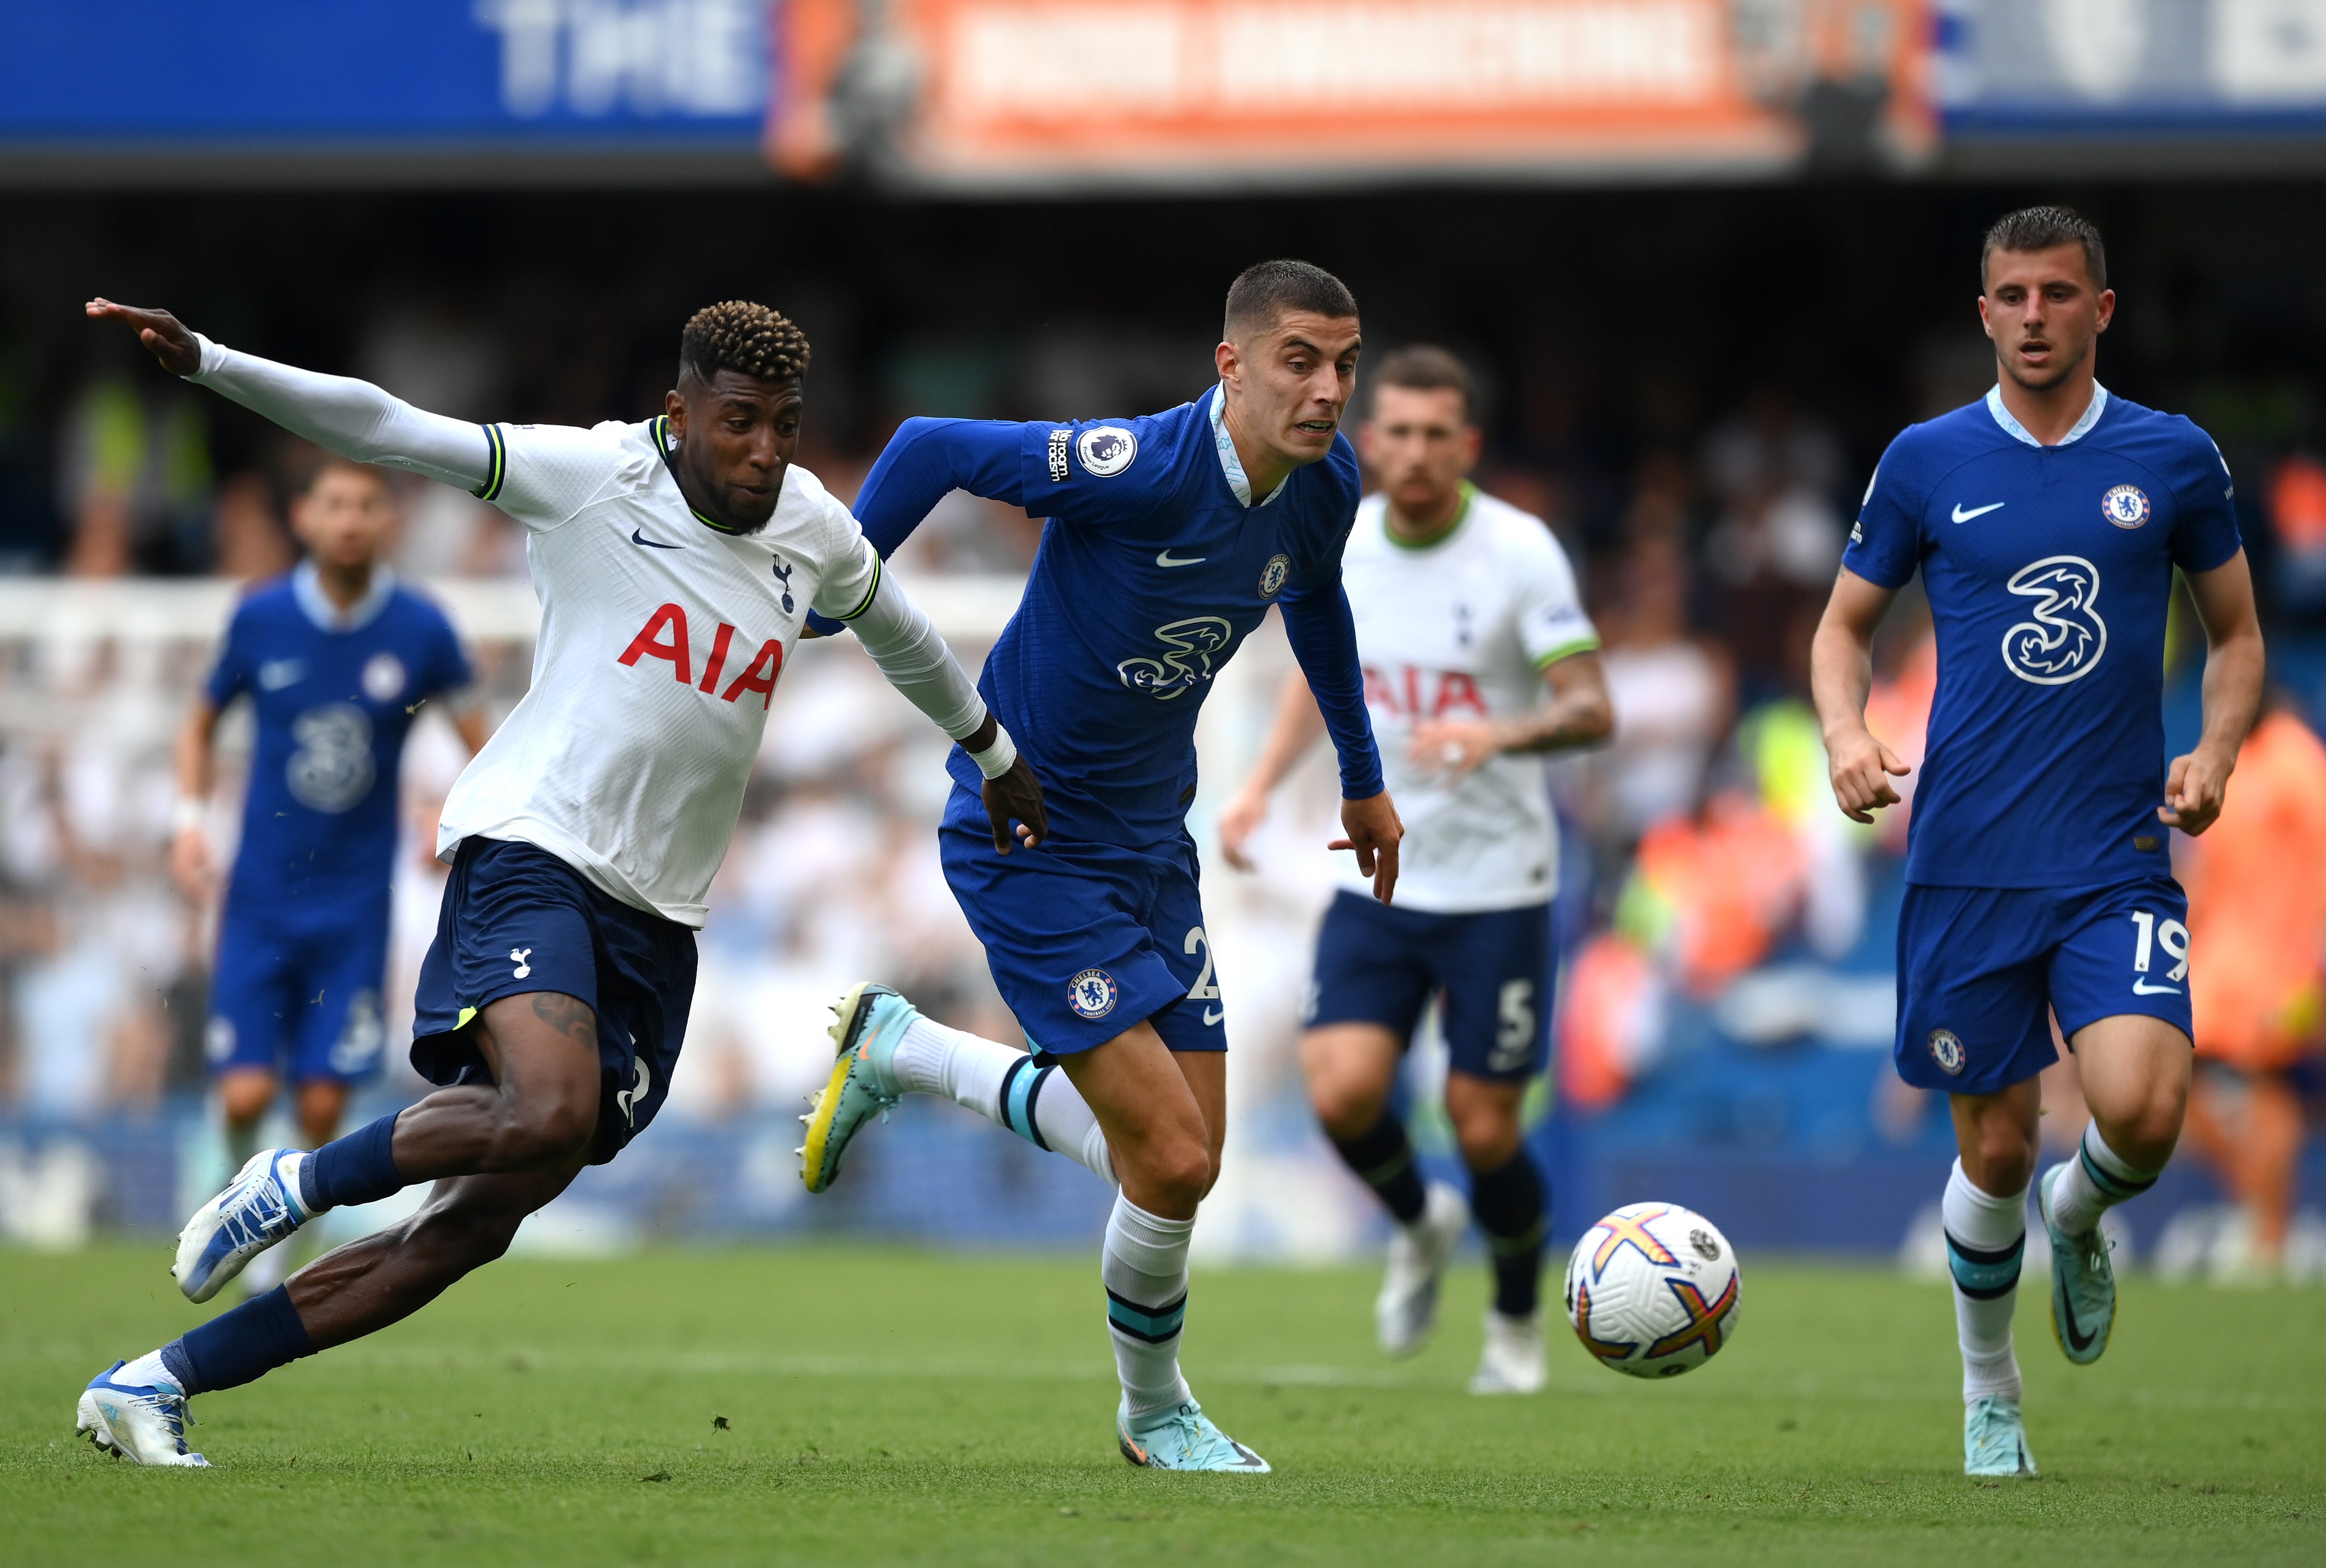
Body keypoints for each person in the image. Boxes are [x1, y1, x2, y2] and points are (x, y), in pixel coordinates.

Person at [73, 296, 1043, 1467]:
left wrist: (992, 752)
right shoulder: (588, 477)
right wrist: (212, 363)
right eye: (738, 423)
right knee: (547, 1106)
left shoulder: (813, 526)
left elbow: (904, 637)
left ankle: (154, 1381)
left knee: (473, 1225)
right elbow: (390, 427)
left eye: (785, 424)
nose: (765, 450)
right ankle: (292, 1179)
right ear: (678, 412)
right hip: (532, 849)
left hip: (659, 918)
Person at [795, 260, 1400, 1473]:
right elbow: (930, 442)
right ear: (1229, 365)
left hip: (1150, 843)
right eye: (1299, 359)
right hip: (1028, 837)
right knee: (1168, 1162)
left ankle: (903, 1050)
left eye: (1343, 362)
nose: (1328, 387)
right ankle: (1156, 1413)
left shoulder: (1327, 486)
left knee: (1188, 1162)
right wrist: (836, 588)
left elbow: (1318, 603)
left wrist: (1360, 771)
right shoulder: (1143, 467)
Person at [1809, 207, 2264, 1478]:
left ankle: (2084, 1211)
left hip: (2113, 851)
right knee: (1995, 1148)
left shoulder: (2172, 460)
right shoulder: (1923, 460)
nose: (2033, 316)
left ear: (2099, 311)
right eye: (2010, 296)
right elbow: (1841, 629)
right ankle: (1989, 1391)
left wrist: (2215, 754)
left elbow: (2235, 635)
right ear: (1983, 313)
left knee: (2143, 1111)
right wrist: (1845, 732)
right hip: (1962, 858)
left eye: (2058, 295)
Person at [1214, 345, 1611, 1393]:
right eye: (1395, 430)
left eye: (1438, 433)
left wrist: (1500, 732)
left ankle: (1518, 1322)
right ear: (1368, 438)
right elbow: (1322, 669)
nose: (1415, 451)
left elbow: (1592, 707)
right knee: (1340, 1091)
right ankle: (1416, 1219)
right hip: (1375, 872)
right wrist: (1257, 783)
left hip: (1498, 887)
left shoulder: (1519, 552)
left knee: (1483, 1126)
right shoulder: (1337, 533)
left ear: (1467, 446)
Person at [174, 457, 489, 1298]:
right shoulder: (261, 615)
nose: (350, 519)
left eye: (366, 505)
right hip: (260, 896)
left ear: (387, 520)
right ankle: (229, 1200)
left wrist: (455, 809)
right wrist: (188, 823)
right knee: (244, 1088)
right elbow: (201, 721)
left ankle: (269, 1248)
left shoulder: (421, 626)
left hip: (354, 903)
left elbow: (478, 736)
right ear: (305, 517)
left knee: (321, 1108)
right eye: (335, 504)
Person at [2178, 693, 2326, 1277]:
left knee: (2270, 1090)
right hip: (2219, 966)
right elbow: (2204, 872)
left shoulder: (2294, 758)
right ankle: (2258, 1207)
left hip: (2282, 965)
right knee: (2169, 1080)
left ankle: (2269, 1236)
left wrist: (2312, 959)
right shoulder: (2234, 766)